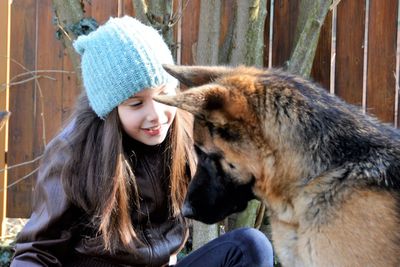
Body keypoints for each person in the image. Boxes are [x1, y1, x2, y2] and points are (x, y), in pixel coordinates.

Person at [11, 16, 274, 267]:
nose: (156, 115)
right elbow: (38, 251)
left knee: (249, 245)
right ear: (110, 110)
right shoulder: (72, 153)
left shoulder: (189, 131)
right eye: (136, 103)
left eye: (163, 94)